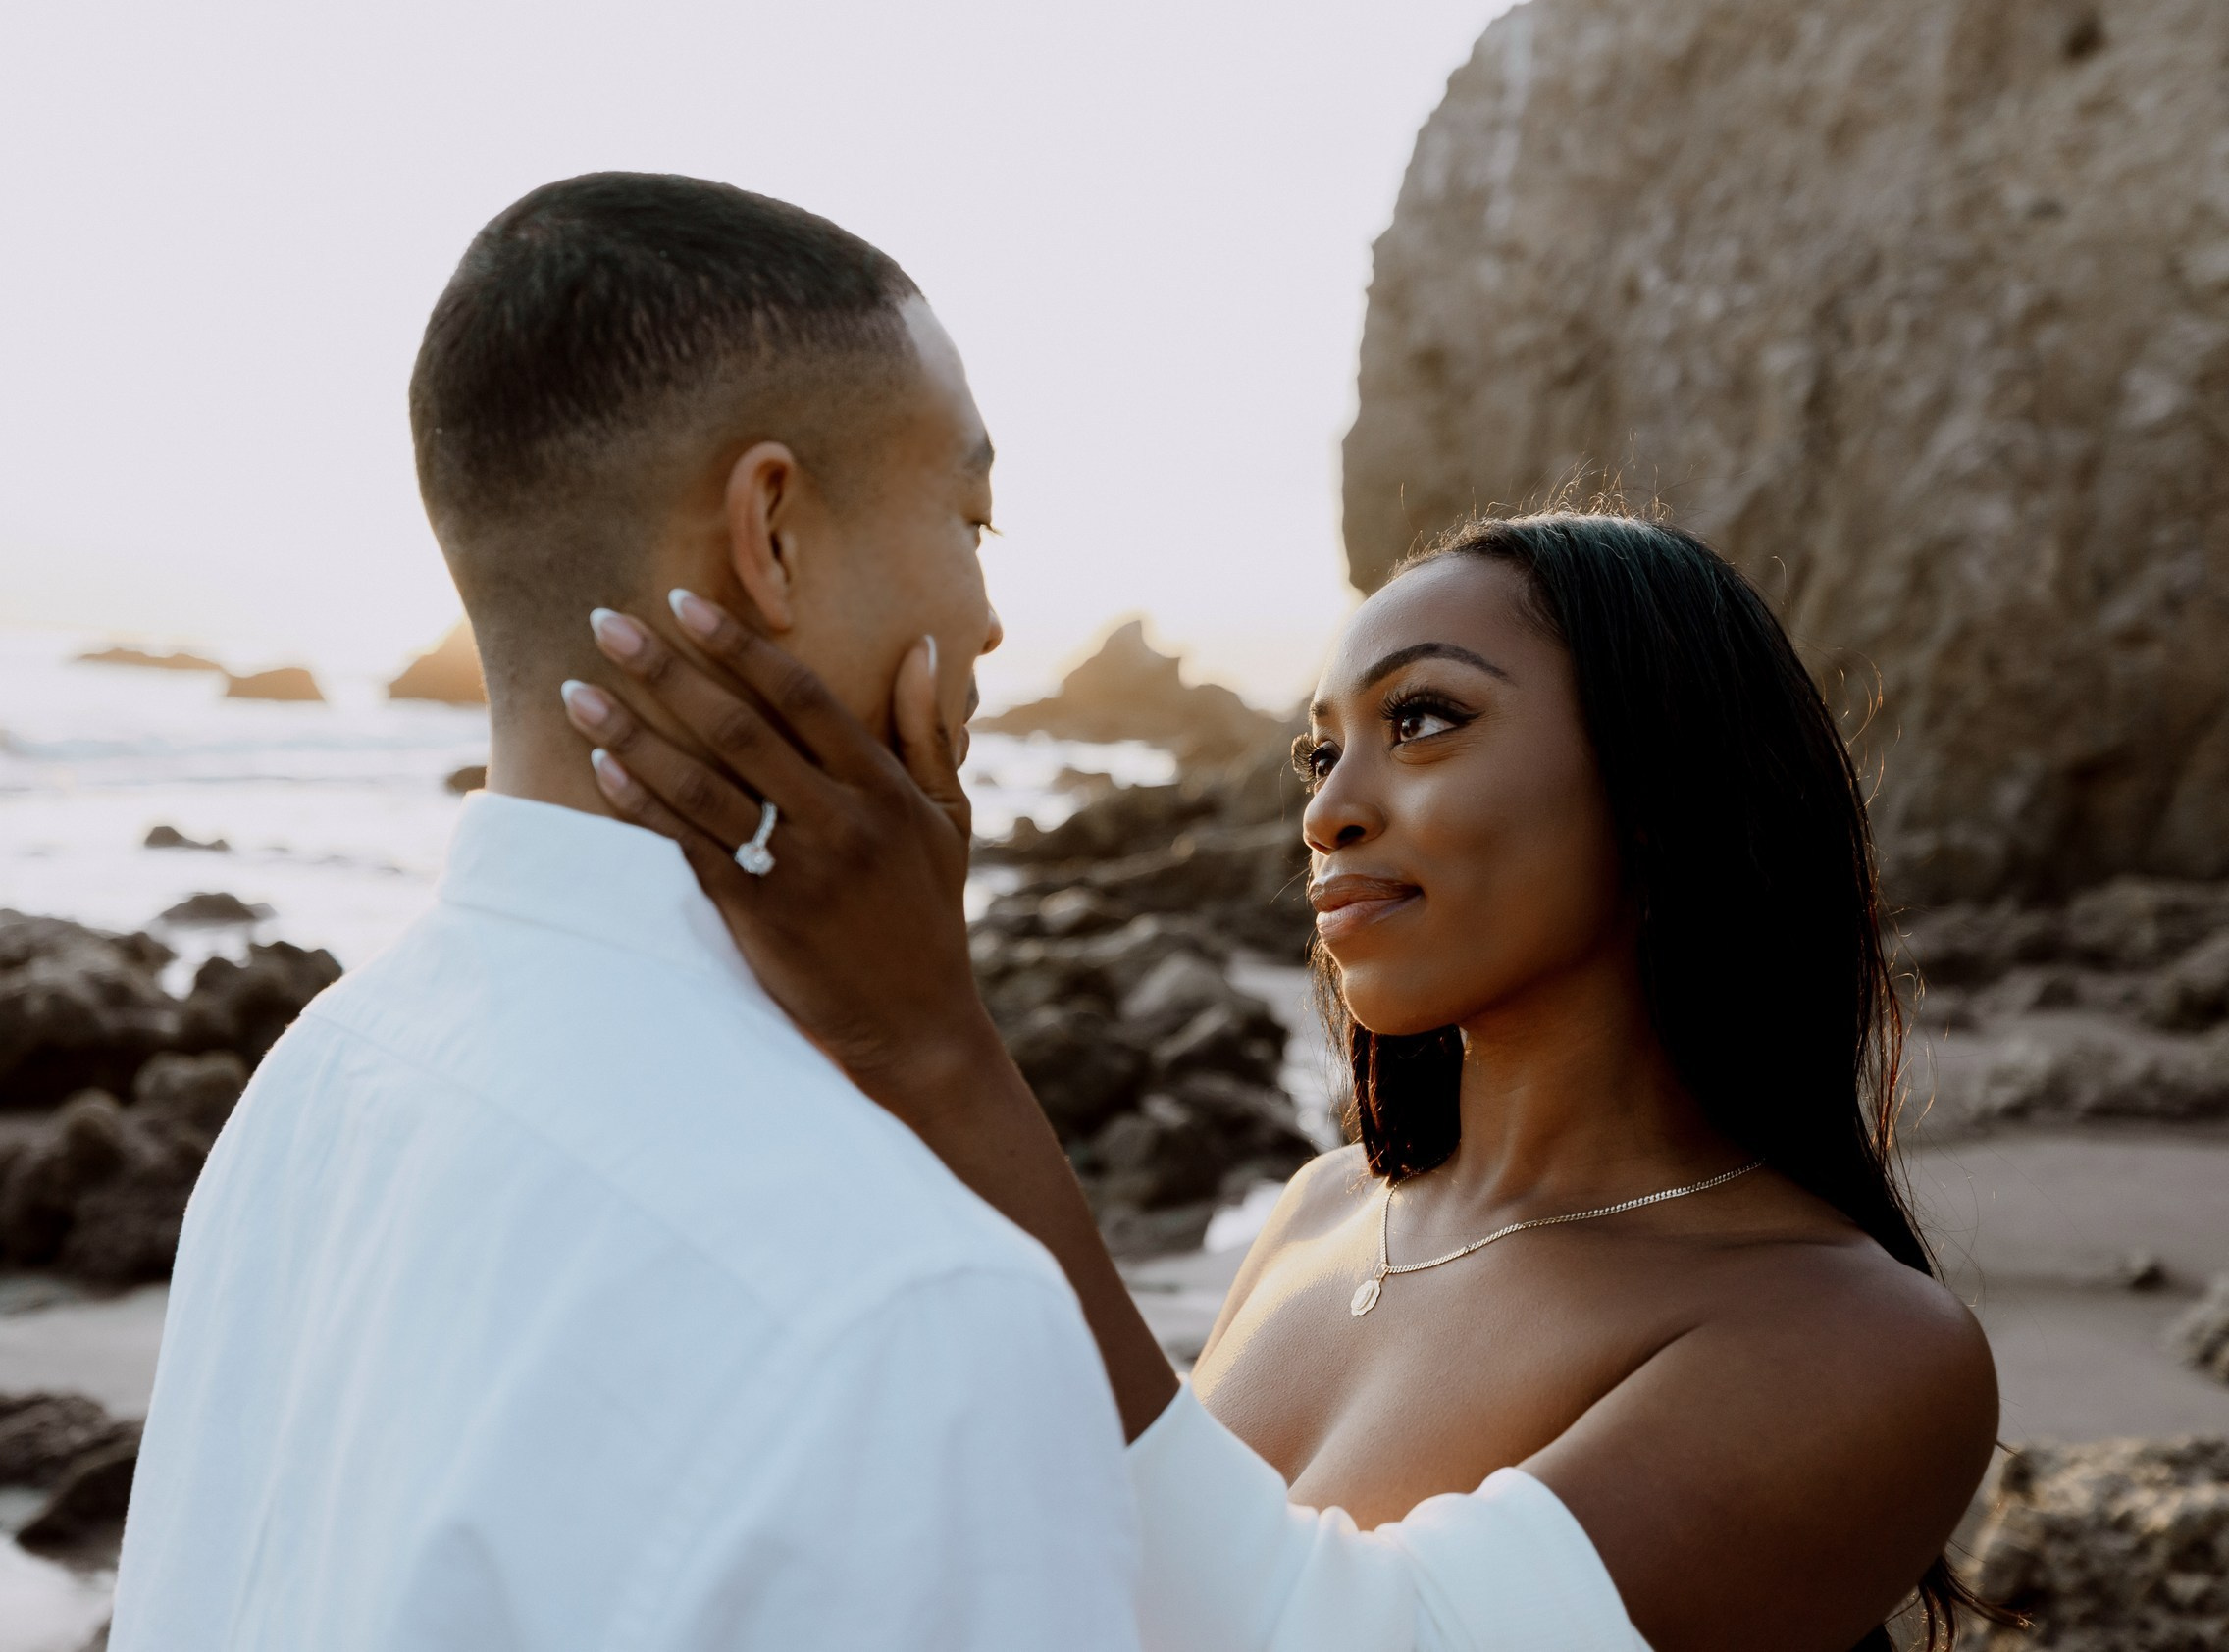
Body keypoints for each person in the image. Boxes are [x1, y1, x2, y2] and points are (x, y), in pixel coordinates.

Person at [558, 509, 2009, 1652]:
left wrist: (934, 1042)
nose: (1329, 807)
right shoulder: (1321, 1215)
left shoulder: (1859, 1348)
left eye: (1424, 718)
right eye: (1319, 750)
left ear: (1661, 774)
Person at [109, 174, 1144, 1650]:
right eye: (972, 514)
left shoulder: (315, 1087)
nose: (987, 617)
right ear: (770, 530)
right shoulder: (919, 1310)